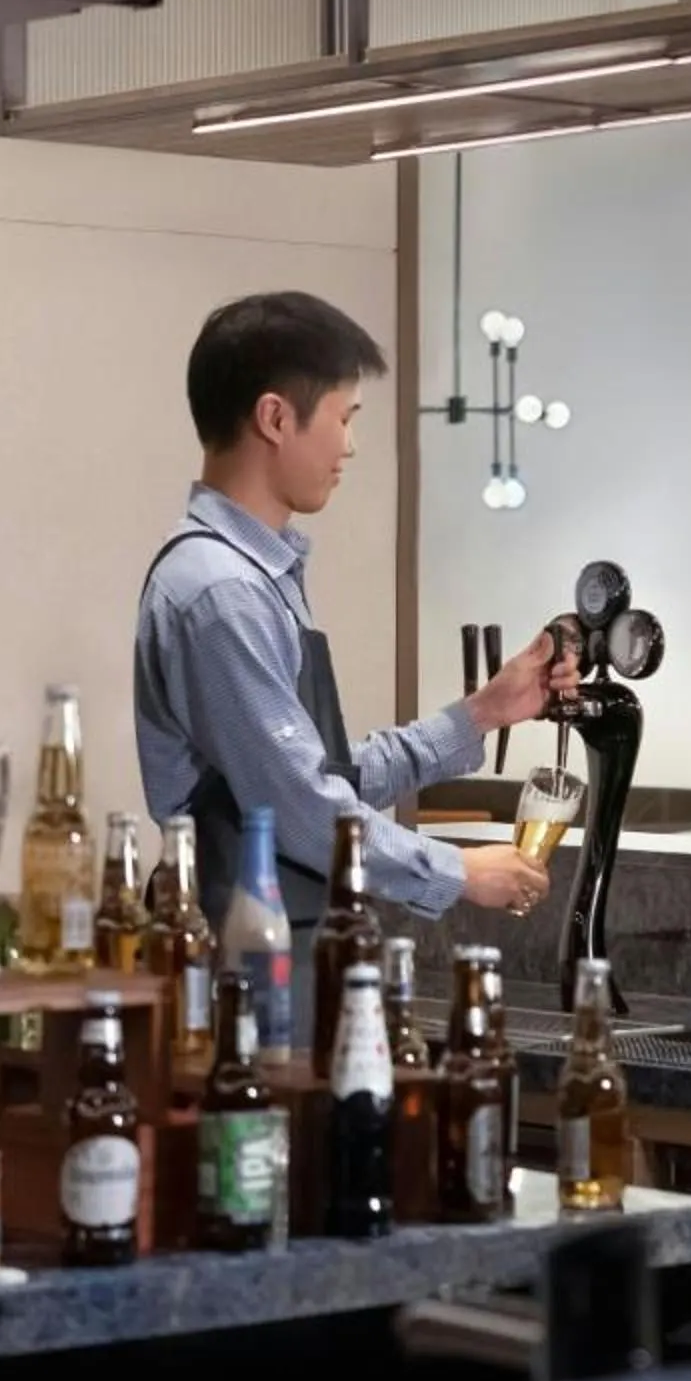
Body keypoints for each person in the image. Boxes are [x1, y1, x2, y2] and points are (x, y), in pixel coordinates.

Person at [135, 290, 568, 944]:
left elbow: (325, 773)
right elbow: (304, 810)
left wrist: (482, 712)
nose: (351, 446)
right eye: (344, 417)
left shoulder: (250, 579)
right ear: (276, 418)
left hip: (288, 939)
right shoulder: (221, 593)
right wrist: (459, 870)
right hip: (245, 961)